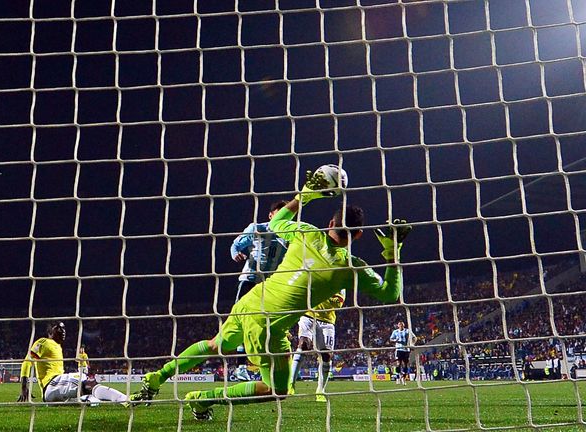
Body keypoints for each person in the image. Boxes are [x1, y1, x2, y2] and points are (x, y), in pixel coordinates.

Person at [130, 170, 411, 420]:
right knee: (277, 390)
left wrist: (304, 196)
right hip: (269, 326)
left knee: (215, 345)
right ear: (359, 235)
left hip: (252, 301)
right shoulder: (350, 267)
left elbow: (276, 223)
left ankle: (158, 376)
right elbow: (390, 293)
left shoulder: (305, 232)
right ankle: (202, 399)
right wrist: (392, 252)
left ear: (329, 223)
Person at [17, 322, 129, 405]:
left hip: (57, 388)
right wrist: (24, 386)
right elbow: (27, 362)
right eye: (59, 328)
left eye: (64, 328)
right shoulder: (43, 342)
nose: (63, 331)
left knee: (88, 395)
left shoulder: (58, 346)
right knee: (88, 382)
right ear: (50, 332)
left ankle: (89, 400)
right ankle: (125, 400)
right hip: (51, 385)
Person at [289, 289, 345, 401]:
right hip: (308, 316)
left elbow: (338, 303)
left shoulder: (340, 282)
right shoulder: (314, 274)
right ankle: (290, 384)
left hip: (327, 322)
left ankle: (320, 390)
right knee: (303, 345)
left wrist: (319, 294)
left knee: (326, 356)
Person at [230, 200, 289, 300]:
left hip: (272, 284)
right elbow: (236, 245)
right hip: (251, 279)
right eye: (280, 213)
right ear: (270, 215)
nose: (283, 216)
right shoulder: (258, 228)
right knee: (240, 313)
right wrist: (235, 253)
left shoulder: (292, 233)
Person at [390, 321, 415, 385]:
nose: (401, 326)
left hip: (406, 350)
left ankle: (403, 378)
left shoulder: (407, 331)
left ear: (403, 325)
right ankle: (398, 378)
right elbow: (391, 339)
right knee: (398, 363)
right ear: (398, 325)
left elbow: (414, 337)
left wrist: (412, 344)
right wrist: (395, 340)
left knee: (405, 364)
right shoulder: (395, 331)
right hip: (399, 349)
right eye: (399, 324)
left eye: (402, 325)